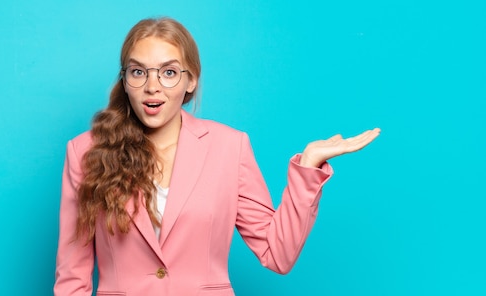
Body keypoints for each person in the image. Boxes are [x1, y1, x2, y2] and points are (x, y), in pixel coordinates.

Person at [54, 17, 380, 296]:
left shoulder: (229, 146)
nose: (152, 86)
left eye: (169, 73)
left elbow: (277, 253)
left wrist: (307, 168)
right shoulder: (85, 151)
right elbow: (72, 274)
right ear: (125, 81)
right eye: (139, 72)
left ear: (190, 80)